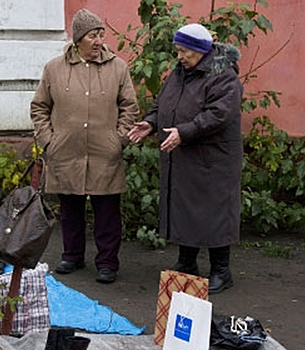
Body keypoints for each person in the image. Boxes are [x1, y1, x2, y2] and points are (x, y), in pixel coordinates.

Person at [128, 23, 243, 294]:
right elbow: (163, 102)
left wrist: (185, 131)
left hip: (214, 158)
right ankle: (187, 262)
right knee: (186, 208)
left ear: (201, 51)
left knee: (215, 211)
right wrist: (151, 122)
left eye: (184, 51)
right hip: (184, 154)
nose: (179, 56)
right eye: (178, 50)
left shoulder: (224, 76)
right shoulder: (180, 72)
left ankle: (221, 270)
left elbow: (218, 115)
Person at [30, 9, 139, 284]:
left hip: (105, 152)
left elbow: (130, 107)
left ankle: (107, 263)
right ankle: (72, 255)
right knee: (70, 209)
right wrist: (48, 141)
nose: (99, 40)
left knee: (107, 213)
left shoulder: (118, 67)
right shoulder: (54, 68)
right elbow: (40, 107)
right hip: (66, 151)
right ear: (79, 38)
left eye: (101, 34)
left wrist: (119, 139)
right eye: (93, 35)